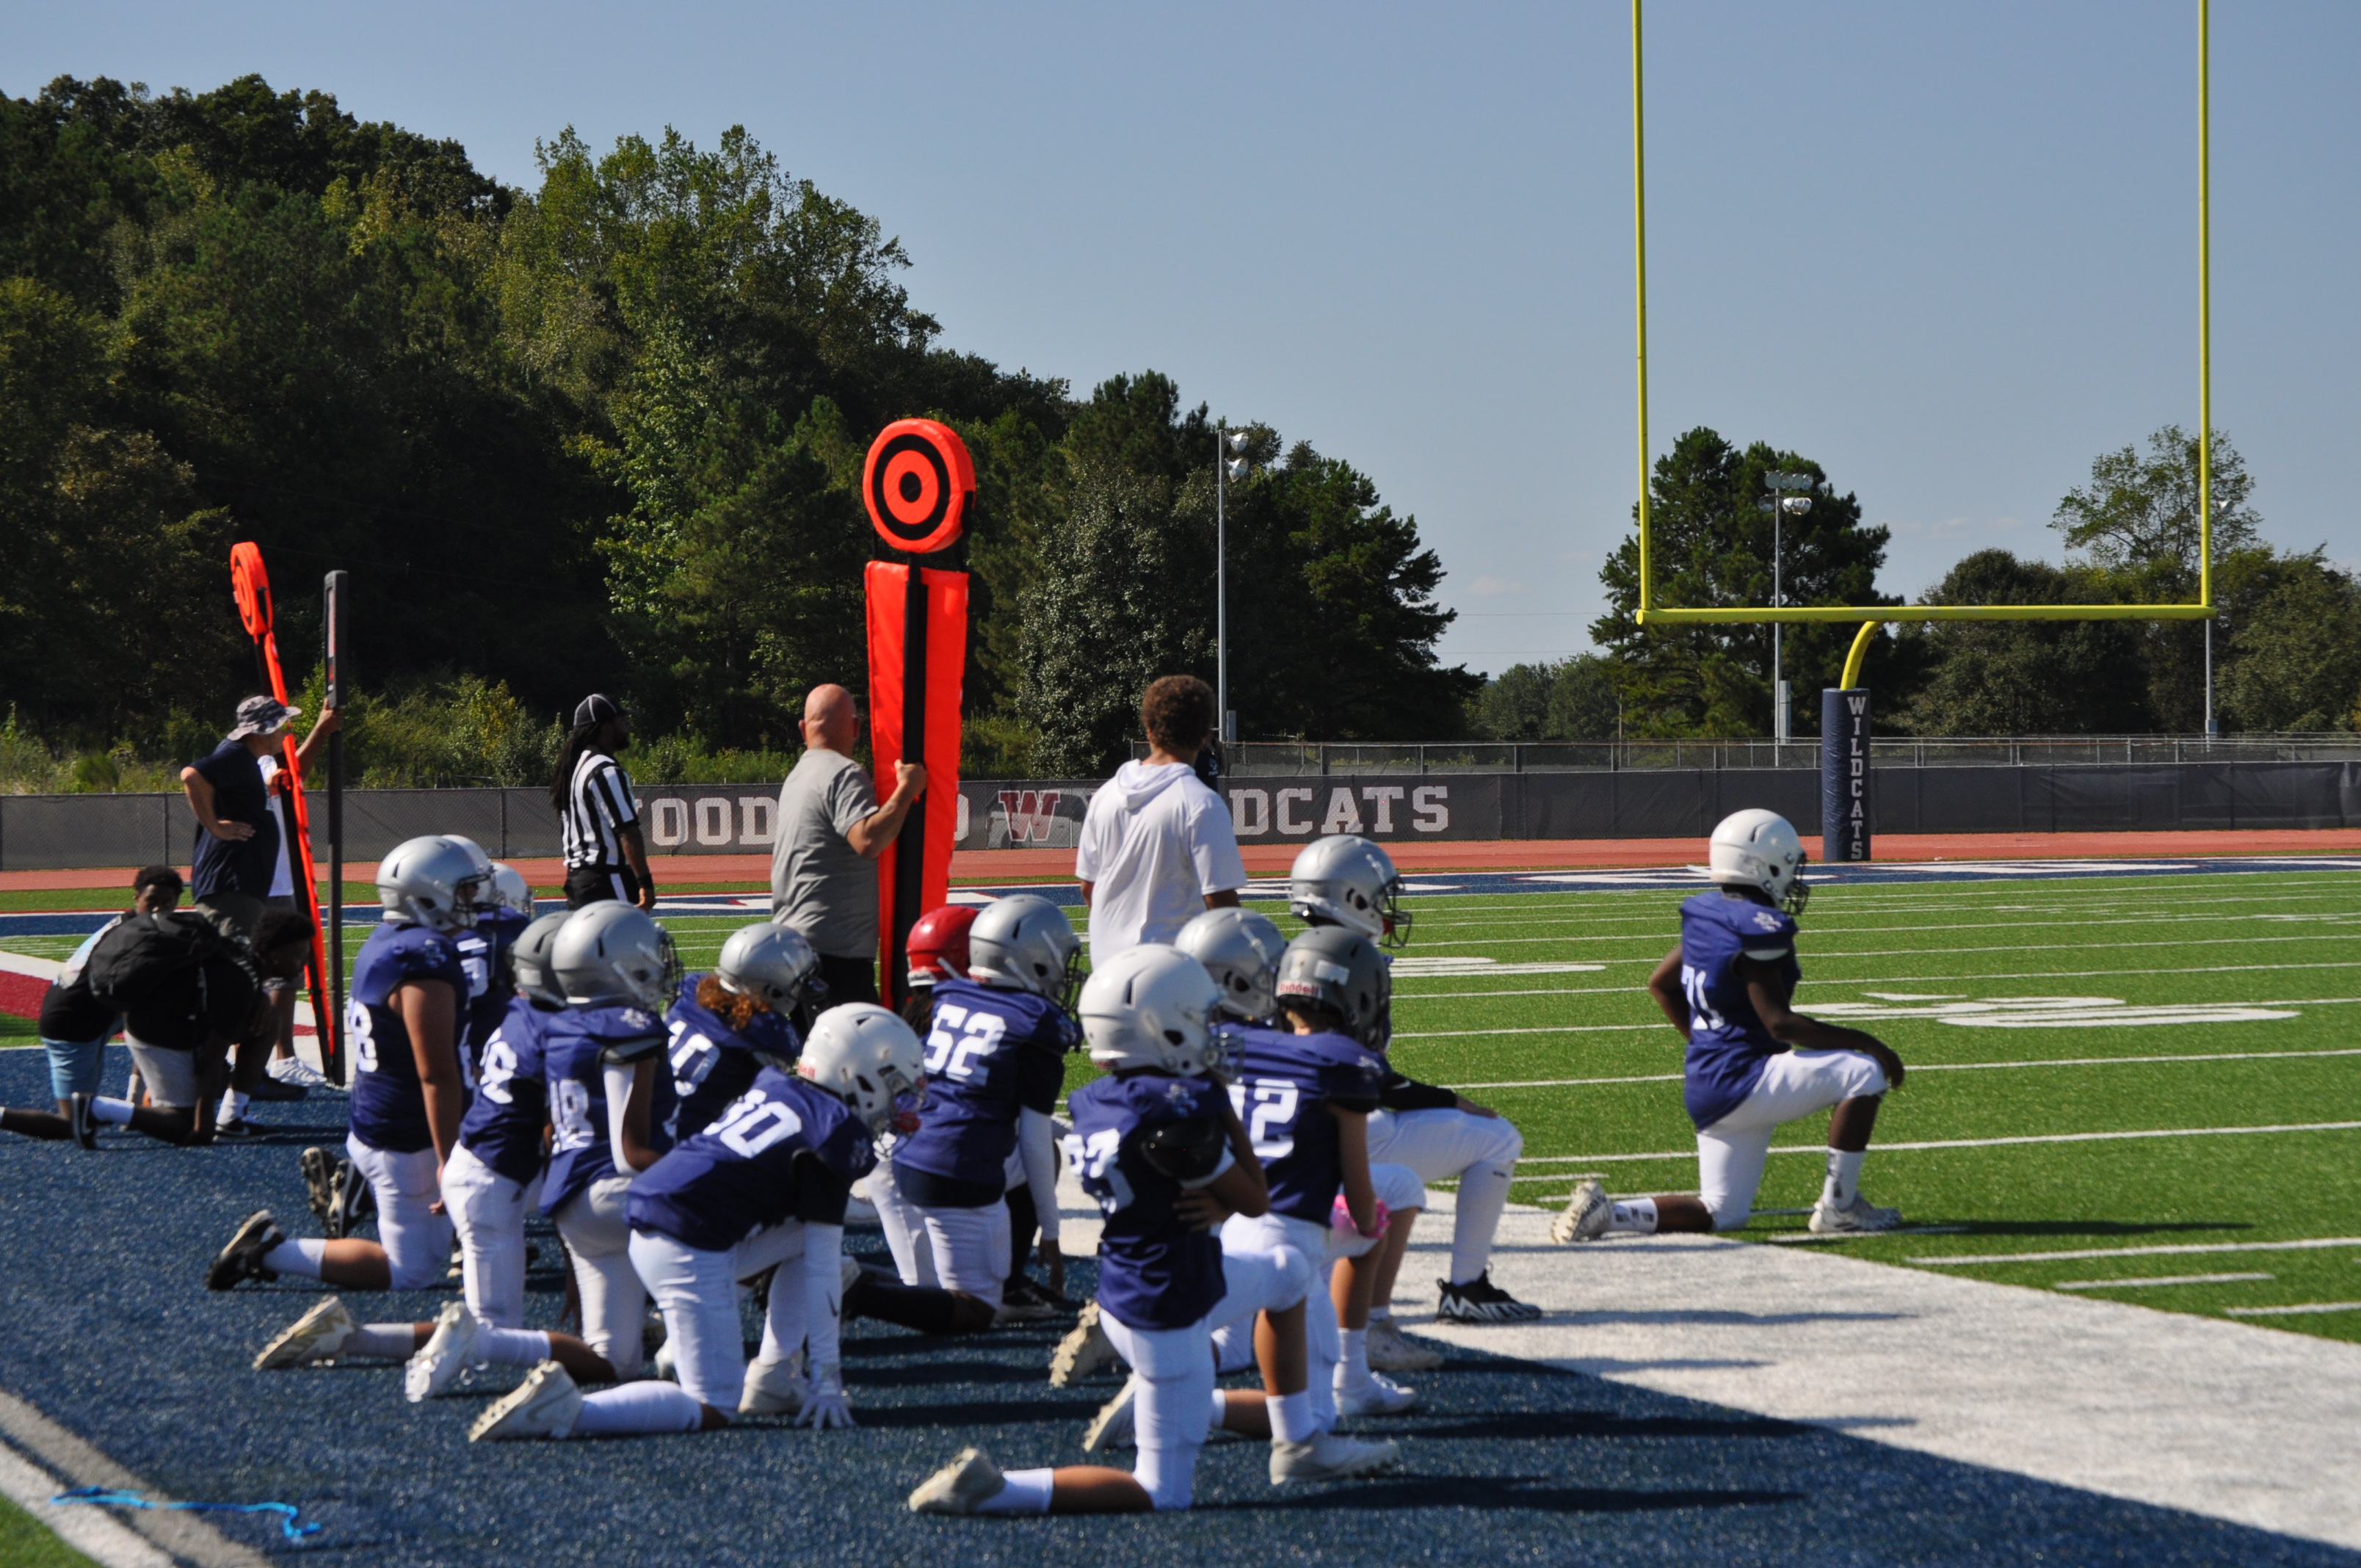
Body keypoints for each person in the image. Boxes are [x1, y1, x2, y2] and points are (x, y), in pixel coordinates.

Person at [910, 945, 1390, 1516]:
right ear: (1163, 1028)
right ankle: (999, 1489)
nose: (1212, 1030)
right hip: (1170, 1305)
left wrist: (1210, 1182)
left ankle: (1300, 1440)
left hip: (1126, 1285)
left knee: (1288, 1278)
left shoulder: (1094, 1101)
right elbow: (1257, 1198)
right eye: (1199, 1018)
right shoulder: (1180, 1122)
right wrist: (1222, 1114)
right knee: (1161, 1492)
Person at [468, 1003, 924, 1442]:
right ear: (856, 1073)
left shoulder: (779, 1086)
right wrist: (827, 1376)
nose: (898, 1107)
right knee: (713, 1405)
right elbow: (826, 1271)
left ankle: (774, 1375)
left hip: (664, 1220)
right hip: (684, 1237)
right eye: (895, 1088)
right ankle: (572, 1409)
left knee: (804, 1237)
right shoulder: (834, 1132)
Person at [247, 910, 622, 1400]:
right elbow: (565, 1159)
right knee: (513, 1331)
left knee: (482, 1312)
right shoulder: (567, 1036)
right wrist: (577, 1260)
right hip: (491, 1176)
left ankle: (355, 1324)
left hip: (473, 1164)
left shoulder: (513, 1017)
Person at [1553, 809, 1908, 1244]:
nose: (1796, 877)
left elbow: (1661, 984)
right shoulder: (1756, 926)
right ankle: (1840, 1207)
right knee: (1863, 1072)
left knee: (1722, 1213)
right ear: (1766, 864)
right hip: (1746, 1079)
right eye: (1791, 866)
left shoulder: (1707, 913)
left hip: (1708, 1082)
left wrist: (1706, 1041)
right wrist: (1870, 1043)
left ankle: (1608, 1214)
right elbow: (1780, 1024)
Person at [206, 835, 482, 1292]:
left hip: (378, 1121)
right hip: (407, 1136)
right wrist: (449, 1157)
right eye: (465, 890)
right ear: (429, 894)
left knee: (455, 1232)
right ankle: (272, 1251)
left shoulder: (388, 940)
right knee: (410, 1270)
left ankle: (351, 1194)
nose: (474, 900)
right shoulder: (423, 956)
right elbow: (434, 1072)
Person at [1291, 836, 1539, 1334]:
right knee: (1497, 1138)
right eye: (1379, 896)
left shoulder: (1287, 957)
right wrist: (1450, 1100)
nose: (1387, 908)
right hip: (1328, 1136)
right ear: (1352, 898)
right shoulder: (1345, 962)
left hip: (1270, 1137)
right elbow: (1360, 1077)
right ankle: (1464, 1291)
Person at [1210, 926, 1428, 1431]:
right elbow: (1357, 1190)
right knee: (1313, 1416)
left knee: (1216, 1338)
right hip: (1291, 1238)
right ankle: (1181, 1407)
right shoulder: (1345, 1064)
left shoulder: (1243, 1044)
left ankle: (1163, 1392)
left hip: (1232, 1226)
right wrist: (1368, 1219)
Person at [877, 896, 1078, 1315]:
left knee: (928, 1290)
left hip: (900, 1155)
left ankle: (850, 1282)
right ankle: (858, 1290)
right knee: (976, 1310)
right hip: (955, 1169)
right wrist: (1053, 1234)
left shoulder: (949, 995)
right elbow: (1036, 1142)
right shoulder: (1034, 1024)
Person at [536, 902, 681, 1380]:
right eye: (651, 955)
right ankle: (702, 1355)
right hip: (616, 1194)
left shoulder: (559, 1026)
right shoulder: (630, 1029)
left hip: (571, 1203)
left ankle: (485, 1340)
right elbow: (628, 1153)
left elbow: (555, 1132)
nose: (660, 965)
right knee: (770, 1225)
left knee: (613, 1362)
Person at [1073, 675, 1246, 968]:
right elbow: (1221, 903)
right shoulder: (1200, 803)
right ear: (1205, 734)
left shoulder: (1106, 795)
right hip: (1170, 976)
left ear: (1149, 728)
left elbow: (1088, 888)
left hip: (1106, 974)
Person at [769, 683, 925, 1007]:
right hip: (836, 956)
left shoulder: (798, 776)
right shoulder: (844, 773)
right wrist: (907, 791)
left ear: (803, 729)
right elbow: (867, 840)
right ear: (855, 727)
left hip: (793, 947)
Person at [1, 866, 180, 1146]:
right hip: (72, 1022)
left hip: (86, 1013)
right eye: (152, 901)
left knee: (161, 1008)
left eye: (167, 903)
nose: (159, 909)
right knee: (71, 1125)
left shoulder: (130, 923)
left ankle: (139, 1099)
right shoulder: (139, 935)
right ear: (136, 897)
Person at [667, 921, 822, 1141]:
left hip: (648, 1113)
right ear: (772, 989)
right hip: (687, 1139)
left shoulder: (692, 987)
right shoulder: (769, 1034)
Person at [255, 705, 341, 1092]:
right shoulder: (259, 762)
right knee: (277, 970)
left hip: (279, 880)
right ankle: (280, 1056)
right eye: (283, 724)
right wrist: (320, 733)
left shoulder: (264, 760)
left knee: (281, 972)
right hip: (267, 884)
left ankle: (273, 1058)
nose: (288, 729)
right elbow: (286, 780)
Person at [180, 696, 308, 937]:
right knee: (236, 966)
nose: (286, 734)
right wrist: (216, 827)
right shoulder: (237, 755)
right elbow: (192, 776)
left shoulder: (243, 759)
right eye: (283, 727)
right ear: (264, 730)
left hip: (239, 887)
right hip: (232, 887)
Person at [552, 694, 656, 912]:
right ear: (605, 728)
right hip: (607, 878)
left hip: (579, 880)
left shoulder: (576, 767)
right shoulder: (605, 770)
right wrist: (645, 883)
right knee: (628, 944)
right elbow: (627, 831)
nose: (626, 727)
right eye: (621, 721)